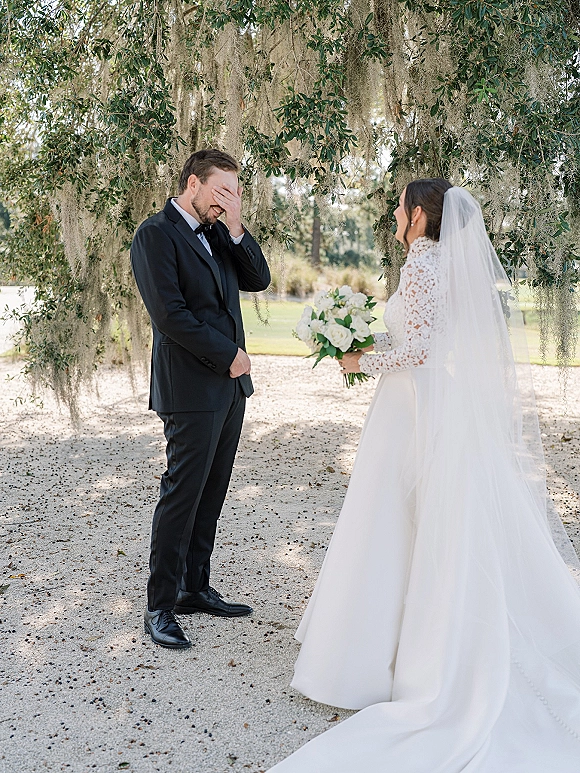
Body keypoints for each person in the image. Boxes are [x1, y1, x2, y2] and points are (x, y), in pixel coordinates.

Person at [269, 180, 580, 771]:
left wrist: (361, 358)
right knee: (423, 520)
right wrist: (360, 334)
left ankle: (376, 657)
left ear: (416, 216)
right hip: (433, 399)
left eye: (398, 207)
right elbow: (421, 338)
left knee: (390, 519)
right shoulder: (442, 265)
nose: (393, 214)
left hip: (411, 403)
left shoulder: (418, 266)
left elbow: (418, 351)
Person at [131, 149, 270, 649]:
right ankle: (160, 605)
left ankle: (194, 587)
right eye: (222, 191)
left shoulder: (217, 233)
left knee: (211, 492)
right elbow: (169, 315)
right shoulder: (155, 235)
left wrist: (235, 225)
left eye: (235, 192)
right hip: (190, 387)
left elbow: (259, 280)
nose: (228, 200)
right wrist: (229, 354)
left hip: (230, 389)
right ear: (193, 183)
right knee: (182, 494)